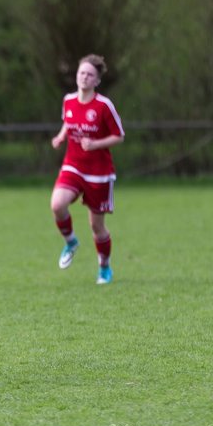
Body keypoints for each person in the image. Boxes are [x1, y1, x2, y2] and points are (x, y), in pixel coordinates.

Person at [50, 54, 125, 284]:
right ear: (76, 76)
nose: (84, 77)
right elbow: (69, 121)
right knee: (57, 204)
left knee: (96, 226)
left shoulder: (104, 106)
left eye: (90, 74)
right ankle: (71, 241)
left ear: (97, 81)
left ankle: (104, 267)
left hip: (99, 173)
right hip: (73, 165)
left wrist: (96, 144)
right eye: (82, 73)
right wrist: (62, 136)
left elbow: (119, 136)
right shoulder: (69, 100)